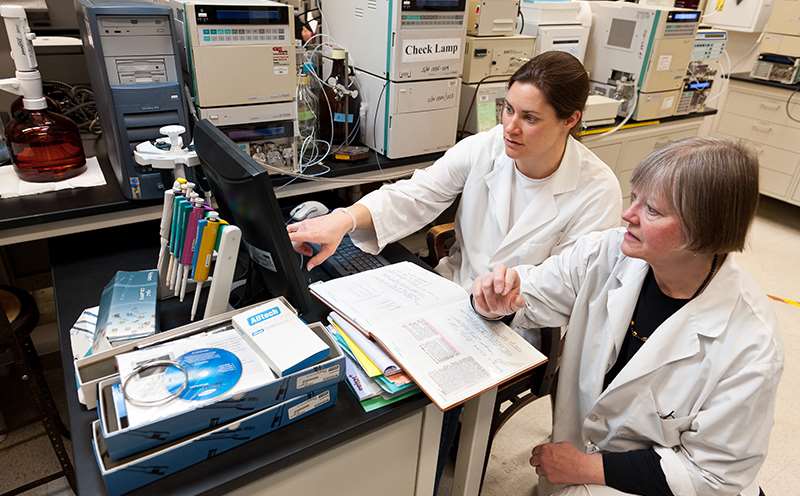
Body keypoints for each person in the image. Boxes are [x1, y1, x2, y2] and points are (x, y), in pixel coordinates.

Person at [471, 138, 783, 496]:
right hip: (576, 465)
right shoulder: (608, 253)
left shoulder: (750, 346)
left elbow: (712, 476)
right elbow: (531, 291)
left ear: (703, 230)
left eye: (651, 209)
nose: (627, 214)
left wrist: (585, 467)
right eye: (634, 197)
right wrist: (496, 297)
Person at [286, 51, 622, 293]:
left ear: (571, 120)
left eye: (530, 118)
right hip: (454, 291)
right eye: (508, 109)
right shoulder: (488, 146)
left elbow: (568, 283)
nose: (510, 127)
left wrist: (505, 294)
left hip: (523, 323)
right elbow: (418, 194)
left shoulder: (597, 189)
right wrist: (342, 219)